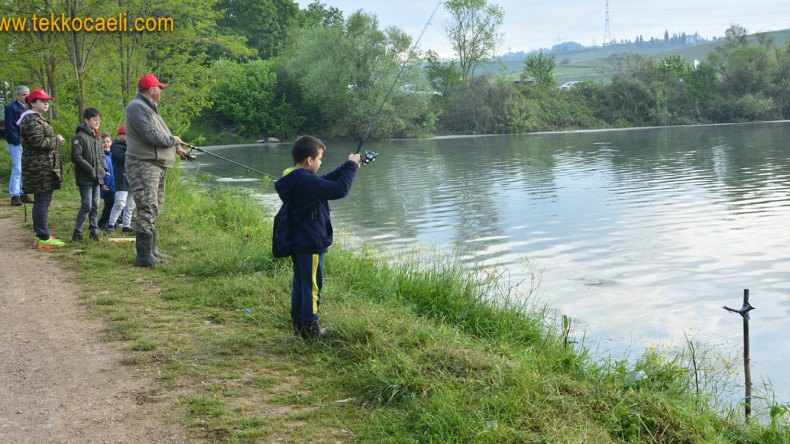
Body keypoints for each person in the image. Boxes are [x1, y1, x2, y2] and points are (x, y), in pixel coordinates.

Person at [274, 135, 361, 340]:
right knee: (312, 286)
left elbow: (327, 179)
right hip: (311, 243)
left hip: (300, 242)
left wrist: (350, 165)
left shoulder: (298, 178)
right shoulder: (305, 180)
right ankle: (311, 331)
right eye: (320, 158)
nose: (321, 162)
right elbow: (340, 189)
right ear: (309, 160)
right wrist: (350, 167)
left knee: (301, 284)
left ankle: (299, 325)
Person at [124, 73, 188, 267]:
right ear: (151, 90)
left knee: (154, 207)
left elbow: (161, 133)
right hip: (144, 164)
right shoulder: (137, 107)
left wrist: (176, 147)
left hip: (155, 164)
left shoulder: (149, 108)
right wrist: (172, 141)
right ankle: (143, 257)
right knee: (147, 207)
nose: (161, 91)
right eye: (159, 88)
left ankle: (152, 251)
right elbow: (149, 135)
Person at [19, 88, 67, 249]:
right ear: (32, 103)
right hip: (38, 168)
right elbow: (38, 142)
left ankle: (42, 235)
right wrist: (56, 140)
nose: (46, 103)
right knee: (42, 201)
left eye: (47, 101)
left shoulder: (36, 119)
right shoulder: (31, 120)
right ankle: (43, 237)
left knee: (42, 200)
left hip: (42, 166)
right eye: (42, 101)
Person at [70, 107, 107, 242]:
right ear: (86, 120)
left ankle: (94, 231)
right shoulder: (79, 136)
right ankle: (77, 233)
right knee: (87, 205)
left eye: (99, 120)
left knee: (95, 205)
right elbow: (76, 157)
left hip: (97, 177)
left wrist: (104, 168)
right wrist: (91, 169)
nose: (97, 122)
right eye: (94, 119)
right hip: (85, 177)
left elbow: (101, 154)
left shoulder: (97, 137)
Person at [5, 85, 33, 206]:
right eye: (23, 94)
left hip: (27, 144)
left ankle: (23, 193)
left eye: (27, 94)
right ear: (17, 95)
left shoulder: (28, 108)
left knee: (25, 169)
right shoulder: (12, 108)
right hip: (16, 143)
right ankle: (15, 195)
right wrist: (18, 141)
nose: (26, 96)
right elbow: (10, 128)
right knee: (17, 169)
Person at [105, 125, 136, 234]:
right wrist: (132, 147)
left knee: (130, 204)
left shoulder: (130, 146)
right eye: (126, 135)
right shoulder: (116, 146)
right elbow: (124, 157)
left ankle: (126, 226)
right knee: (120, 203)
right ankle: (110, 225)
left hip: (133, 177)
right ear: (120, 135)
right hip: (122, 177)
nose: (129, 137)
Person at [97, 133, 116, 229]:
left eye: (108, 142)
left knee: (116, 204)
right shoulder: (100, 156)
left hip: (115, 184)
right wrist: (102, 184)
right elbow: (99, 172)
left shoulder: (114, 155)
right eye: (103, 142)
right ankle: (101, 223)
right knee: (109, 204)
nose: (106, 144)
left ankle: (114, 221)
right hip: (106, 185)